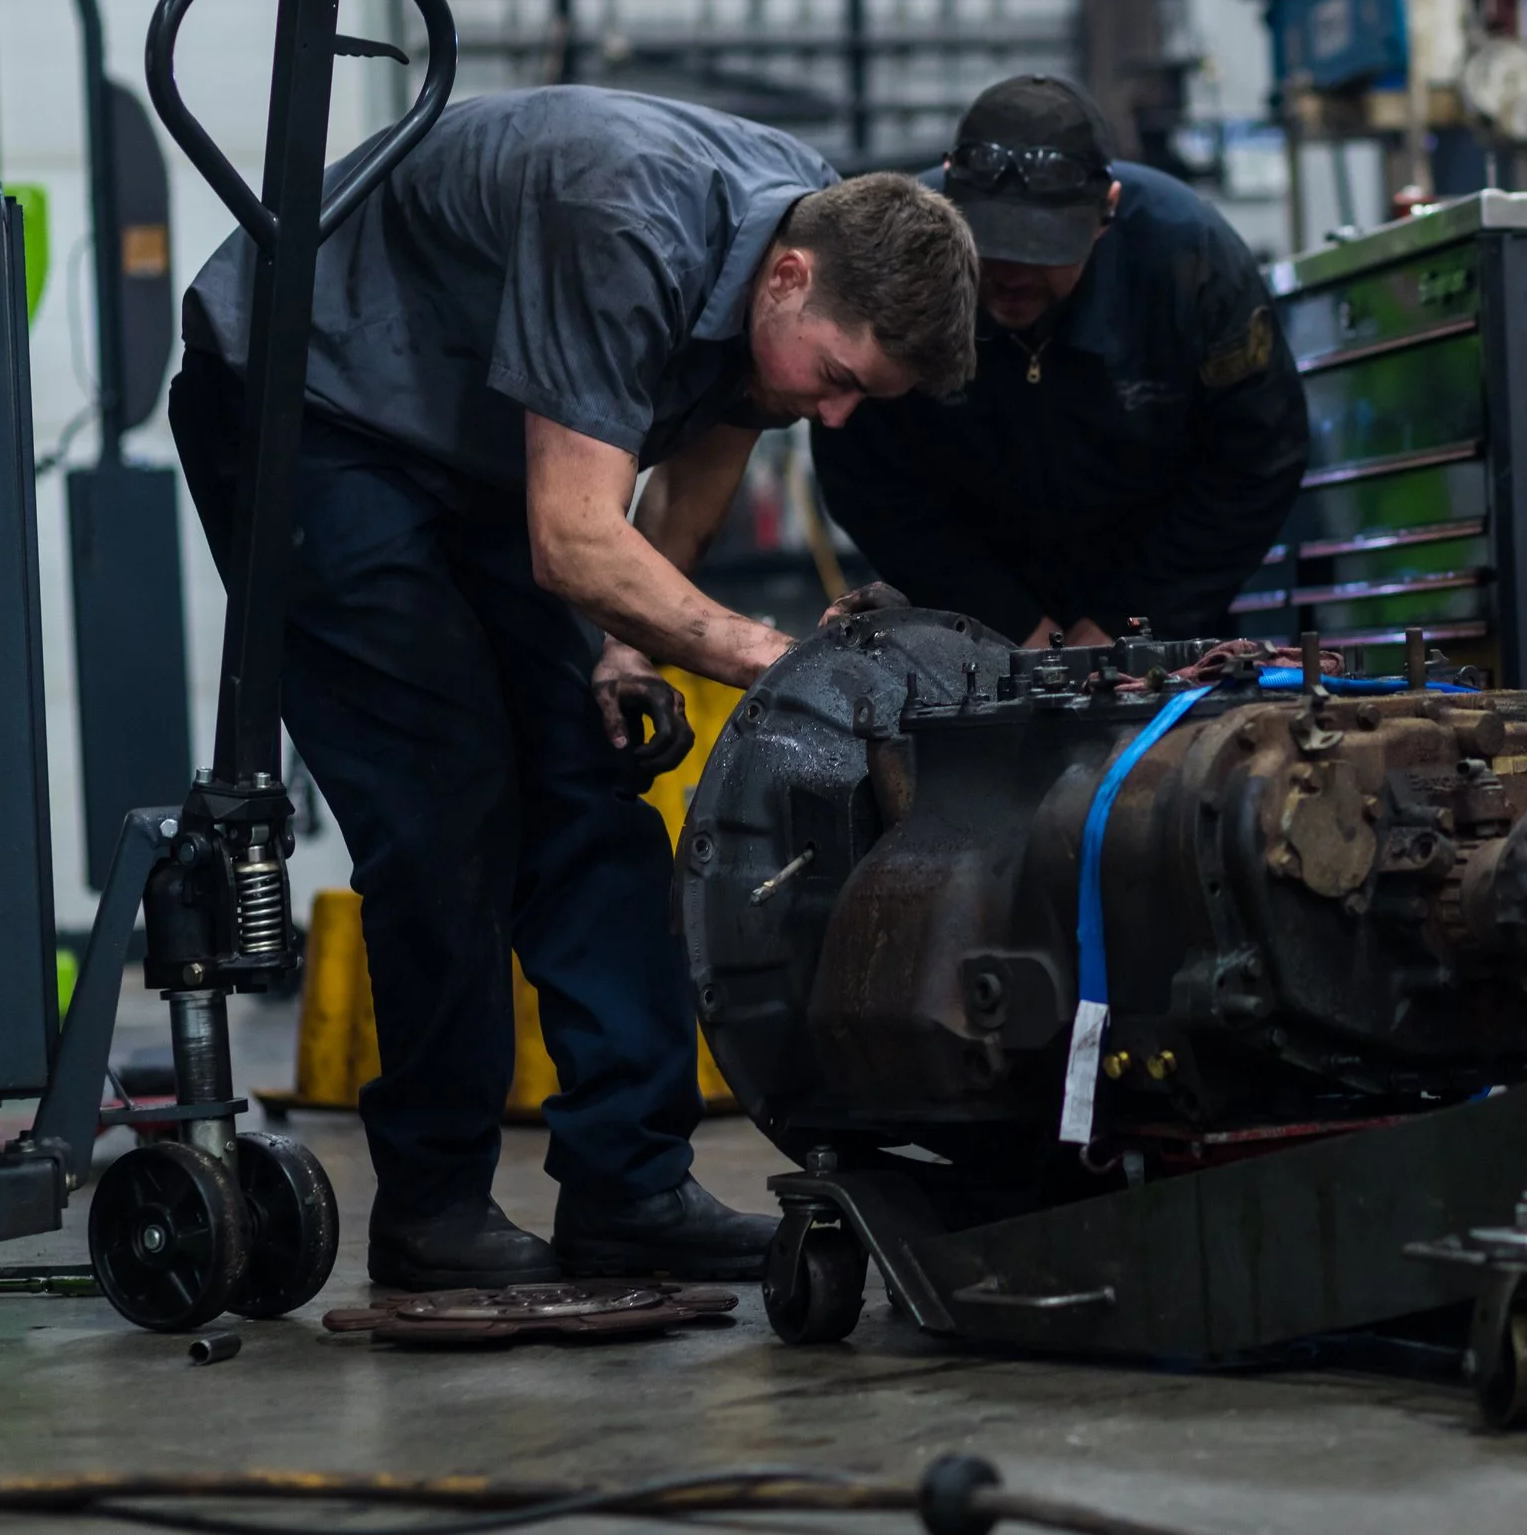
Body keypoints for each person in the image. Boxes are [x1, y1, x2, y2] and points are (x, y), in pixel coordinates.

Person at [168, 87, 979, 1290]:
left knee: (592, 797)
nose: (836, 412)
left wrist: (630, 650)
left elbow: (722, 423)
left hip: (475, 441)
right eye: (840, 376)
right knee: (447, 802)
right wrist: (772, 660)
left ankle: (630, 1188)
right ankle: (434, 1209)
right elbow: (571, 540)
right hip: (312, 408)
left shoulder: (811, 232)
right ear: (791, 278)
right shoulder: (628, 220)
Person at [811, 76, 1308, 647]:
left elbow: (1259, 457)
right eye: (988, 244)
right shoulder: (898, 254)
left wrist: (1132, 618)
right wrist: (998, 620)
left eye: (1044, 249)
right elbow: (864, 472)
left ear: (1107, 212)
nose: (1012, 273)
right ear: (950, 200)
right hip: (968, 619)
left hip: (1164, 610)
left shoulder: (1190, 264)